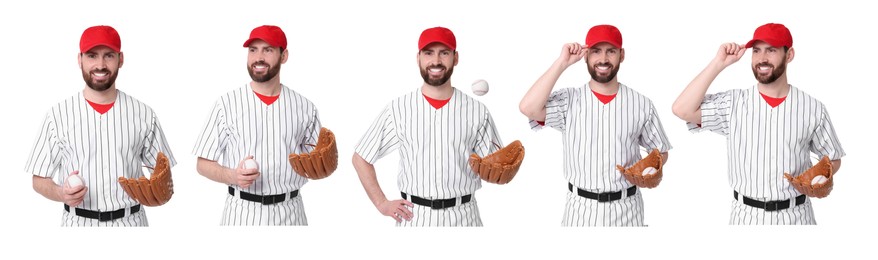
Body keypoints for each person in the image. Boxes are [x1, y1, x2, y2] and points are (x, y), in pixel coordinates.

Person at [671, 23, 845, 225]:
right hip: (746, 217)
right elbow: (682, 109)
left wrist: (821, 176)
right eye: (756, 51)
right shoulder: (733, 104)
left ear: (789, 55)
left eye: (771, 50)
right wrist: (718, 63)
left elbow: (833, 157)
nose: (762, 58)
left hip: (797, 216)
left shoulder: (813, 108)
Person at [352, 26, 514, 227]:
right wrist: (382, 203)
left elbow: (496, 164)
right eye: (428, 53)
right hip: (414, 218)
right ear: (418, 58)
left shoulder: (477, 111)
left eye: (444, 53)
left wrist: (501, 169)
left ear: (455, 58)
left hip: (464, 217)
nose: (436, 61)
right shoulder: (399, 108)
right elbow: (361, 157)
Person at [519, 24, 672, 226]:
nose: (603, 59)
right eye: (596, 51)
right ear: (585, 55)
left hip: (627, 209)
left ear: (622, 55)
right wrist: (562, 62)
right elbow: (528, 108)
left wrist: (652, 167)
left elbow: (660, 150)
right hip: (580, 210)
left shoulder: (642, 104)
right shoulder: (569, 100)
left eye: (611, 51)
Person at [25, 25, 177, 227]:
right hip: (77, 224)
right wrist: (61, 193)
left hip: (131, 223)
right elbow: (39, 179)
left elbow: (161, 170)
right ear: (79, 59)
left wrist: (160, 191)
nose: (100, 65)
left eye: (109, 56)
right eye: (92, 56)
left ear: (120, 59)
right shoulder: (57, 116)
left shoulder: (144, 114)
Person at [193, 25, 329, 226]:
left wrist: (321, 166)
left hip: (290, 213)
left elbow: (318, 162)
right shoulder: (226, 104)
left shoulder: (305, 107)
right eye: (253, 50)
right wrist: (233, 175)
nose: (258, 57)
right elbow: (202, 164)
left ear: (284, 56)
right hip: (240, 214)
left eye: (268, 50)